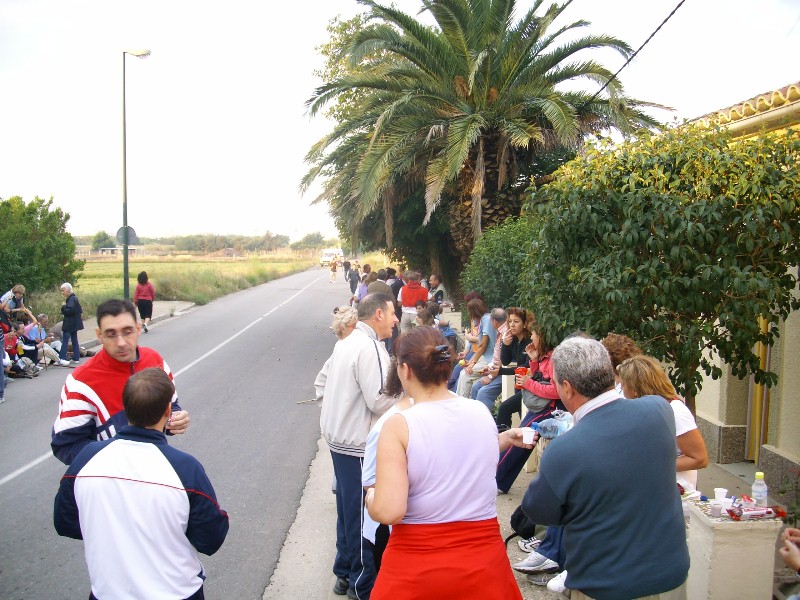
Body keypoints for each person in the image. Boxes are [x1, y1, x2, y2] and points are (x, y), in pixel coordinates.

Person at [521, 337, 689, 599]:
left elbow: (538, 510)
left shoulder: (565, 449)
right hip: (669, 576)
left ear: (567, 388)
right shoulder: (659, 409)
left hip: (605, 583)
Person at [366, 326, 525, 600]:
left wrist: (371, 497)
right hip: (483, 560)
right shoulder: (480, 412)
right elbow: (466, 450)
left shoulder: (399, 425)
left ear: (405, 370)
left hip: (417, 563)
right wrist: (506, 438)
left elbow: (390, 511)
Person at [54, 368, 229, 600]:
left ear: (125, 408)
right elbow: (211, 537)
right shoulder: (185, 469)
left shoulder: (86, 459)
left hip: (107, 592)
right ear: (168, 411)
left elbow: (65, 522)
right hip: (176, 592)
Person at [318, 293, 398, 599]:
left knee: (347, 511)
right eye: (392, 313)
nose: (395, 320)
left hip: (339, 440)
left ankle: (344, 571)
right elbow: (379, 399)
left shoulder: (347, 341)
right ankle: (360, 583)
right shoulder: (369, 346)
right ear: (378, 314)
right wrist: (408, 394)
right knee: (363, 518)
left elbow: (321, 382)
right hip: (357, 444)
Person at [51, 298, 190, 465]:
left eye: (127, 331)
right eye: (111, 334)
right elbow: (65, 446)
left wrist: (175, 419)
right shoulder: (81, 382)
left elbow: (171, 406)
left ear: (138, 328)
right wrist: (118, 461)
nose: (121, 343)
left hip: (153, 470)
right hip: (109, 478)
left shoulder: (155, 361)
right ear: (99, 335)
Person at [617, 355, 709, 489]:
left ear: (635, 390)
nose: (621, 390)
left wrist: (651, 466)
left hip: (676, 489)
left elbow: (700, 459)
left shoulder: (675, 412)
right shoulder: (644, 410)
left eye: (623, 385)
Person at [57, 282, 83, 366]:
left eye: (63, 290)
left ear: (68, 290)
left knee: (65, 341)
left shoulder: (71, 299)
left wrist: (63, 307)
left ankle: (62, 358)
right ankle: (76, 357)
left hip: (69, 324)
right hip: (74, 323)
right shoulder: (75, 298)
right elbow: (80, 310)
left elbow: (69, 311)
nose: (62, 292)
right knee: (74, 340)